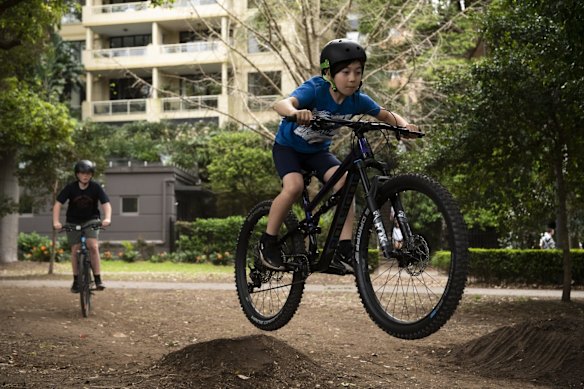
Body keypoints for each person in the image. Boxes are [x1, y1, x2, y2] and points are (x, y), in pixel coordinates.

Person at [260, 38, 419, 273]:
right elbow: (281, 104)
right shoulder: (315, 89)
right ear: (328, 74)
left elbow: (384, 115)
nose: (352, 78)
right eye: (345, 72)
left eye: (357, 72)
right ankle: (268, 242)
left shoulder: (357, 100)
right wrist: (295, 112)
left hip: (317, 153)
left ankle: (344, 248)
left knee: (346, 184)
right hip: (288, 149)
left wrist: (404, 127)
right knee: (293, 187)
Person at [52, 160, 112, 292]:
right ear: (77, 174)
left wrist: (107, 218)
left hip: (91, 220)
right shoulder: (70, 188)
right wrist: (56, 222)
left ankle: (97, 280)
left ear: (91, 175)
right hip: (73, 221)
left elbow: (106, 203)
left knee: (93, 246)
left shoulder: (96, 187)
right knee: (75, 249)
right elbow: (57, 204)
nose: (85, 176)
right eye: (82, 173)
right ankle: (76, 281)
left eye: (88, 173)